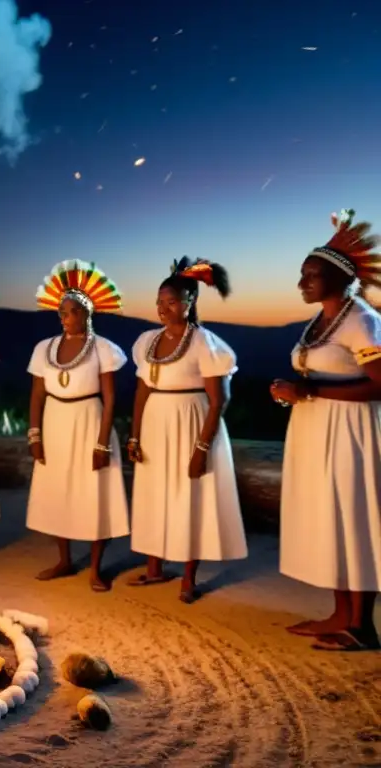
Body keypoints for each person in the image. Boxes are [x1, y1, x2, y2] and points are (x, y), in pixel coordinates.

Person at [270, 208, 381, 652]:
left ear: (341, 277)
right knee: (329, 518)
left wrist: (310, 392)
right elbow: (316, 377)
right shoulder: (318, 321)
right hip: (316, 432)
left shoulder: (364, 321)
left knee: (353, 516)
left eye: (312, 275)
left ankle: (363, 627)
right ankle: (340, 614)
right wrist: (293, 392)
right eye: (302, 275)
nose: (303, 283)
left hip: (352, 434)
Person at [127, 257, 247, 603]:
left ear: (190, 302)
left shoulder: (205, 343)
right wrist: (134, 435)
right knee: (154, 494)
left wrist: (201, 448)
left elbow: (219, 399)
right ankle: (154, 568)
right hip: (155, 423)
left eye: (172, 301)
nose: (163, 308)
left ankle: (188, 579)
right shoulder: (147, 341)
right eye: (160, 301)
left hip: (190, 422)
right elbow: (142, 391)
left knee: (189, 497)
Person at [27, 260, 130, 591]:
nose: (64, 317)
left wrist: (102, 443)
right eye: (61, 311)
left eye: (70, 311)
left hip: (89, 421)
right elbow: (37, 395)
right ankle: (64, 559)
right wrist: (35, 434)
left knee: (93, 494)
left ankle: (96, 569)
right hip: (56, 422)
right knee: (59, 492)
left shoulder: (103, 349)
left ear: (86, 314)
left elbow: (110, 399)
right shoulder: (44, 348)